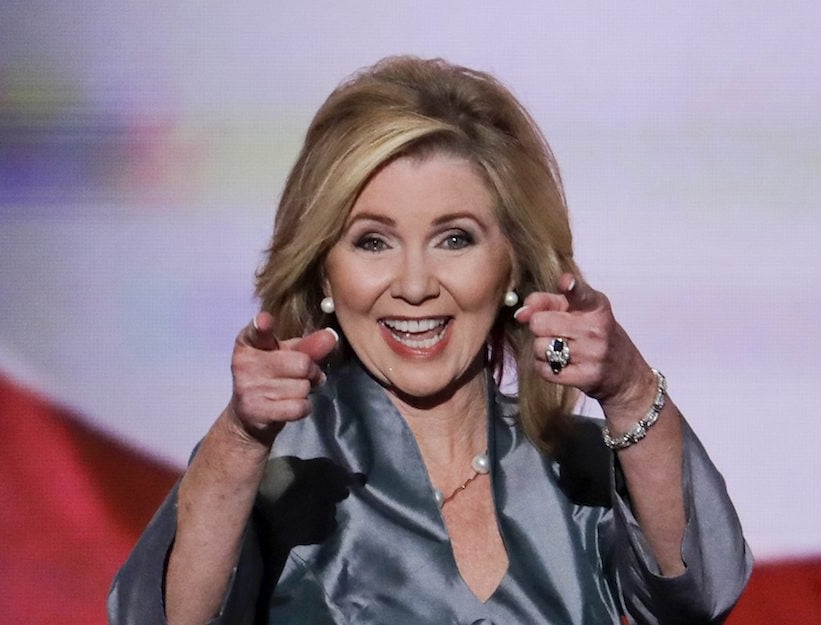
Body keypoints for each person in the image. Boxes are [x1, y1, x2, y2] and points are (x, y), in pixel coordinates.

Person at [108, 56, 751, 625]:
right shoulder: (282, 471)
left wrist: (630, 388)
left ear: (511, 264)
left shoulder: (579, 468)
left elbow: (698, 600)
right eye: (373, 241)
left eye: (454, 239)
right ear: (324, 267)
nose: (415, 286)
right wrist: (242, 440)